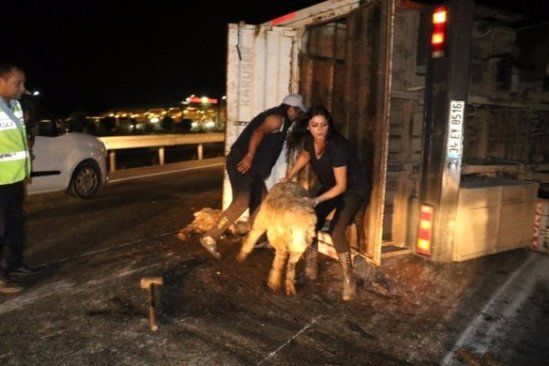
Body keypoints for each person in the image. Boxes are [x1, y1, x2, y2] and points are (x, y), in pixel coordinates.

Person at [199, 94, 307, 259]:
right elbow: (258, 132)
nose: (298, 117)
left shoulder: (282, 121)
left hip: (254, 170)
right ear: (291, 109)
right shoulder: (277, 118)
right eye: (298, 113)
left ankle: (253, 238)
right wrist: (249, 156)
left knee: (263, 203)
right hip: (243, 162)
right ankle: (210, 237)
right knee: (241, 201)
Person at [284, 105, 369, 301]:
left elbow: (341, 187)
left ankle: (350, 281)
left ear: (329, 125)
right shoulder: (309, 140)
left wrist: (316, 199)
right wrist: (289, 176)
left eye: (324, 125)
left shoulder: (337, 146)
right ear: (308, 127)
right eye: (314, 125)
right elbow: (306, 154)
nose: (320, 130)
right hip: (332, 186)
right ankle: (311, 265)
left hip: (353, 188)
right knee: (311, 221)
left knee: (336, 230)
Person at [0, 63, 35, 294]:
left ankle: (14, 265)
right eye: (17, 83)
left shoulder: (15, 106)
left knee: (14, 225)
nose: (22, 87)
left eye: (23, 83)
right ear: (1, 81)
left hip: (15, 177)